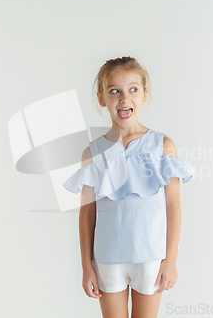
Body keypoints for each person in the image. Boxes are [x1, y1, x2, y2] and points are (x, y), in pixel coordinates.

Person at [63, 56, 195, 318]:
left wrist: (170, 260)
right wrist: (86, 266)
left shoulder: (162, 146)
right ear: (102, 98)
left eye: (133, 89)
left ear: (144, 95)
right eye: (115, 91)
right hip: (108, 258)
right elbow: (87, 213)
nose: (124, 98)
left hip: (151, 257)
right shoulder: (93, 152)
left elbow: (173, 206)